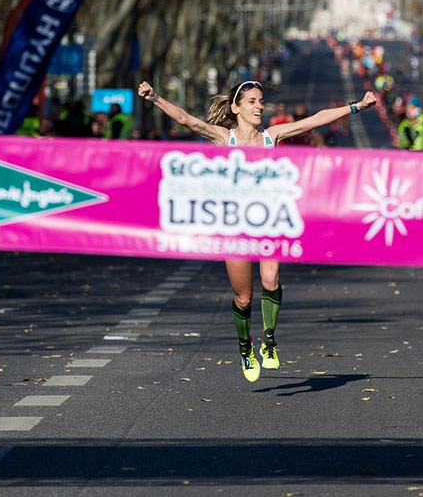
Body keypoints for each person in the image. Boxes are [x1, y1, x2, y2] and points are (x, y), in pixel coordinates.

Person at [137, 79, 377, 382]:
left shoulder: (271, 136)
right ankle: (244, 346)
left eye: (261, 101)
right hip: (235, 226)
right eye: (251, 101)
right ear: (236, 107)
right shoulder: (224, 138)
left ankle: (269, 341)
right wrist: (154, 97)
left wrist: (356, 106)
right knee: (244, 299)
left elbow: (314, 120)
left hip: (268, 222)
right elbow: (187, 120)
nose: (259, 106)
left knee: (271, 279)